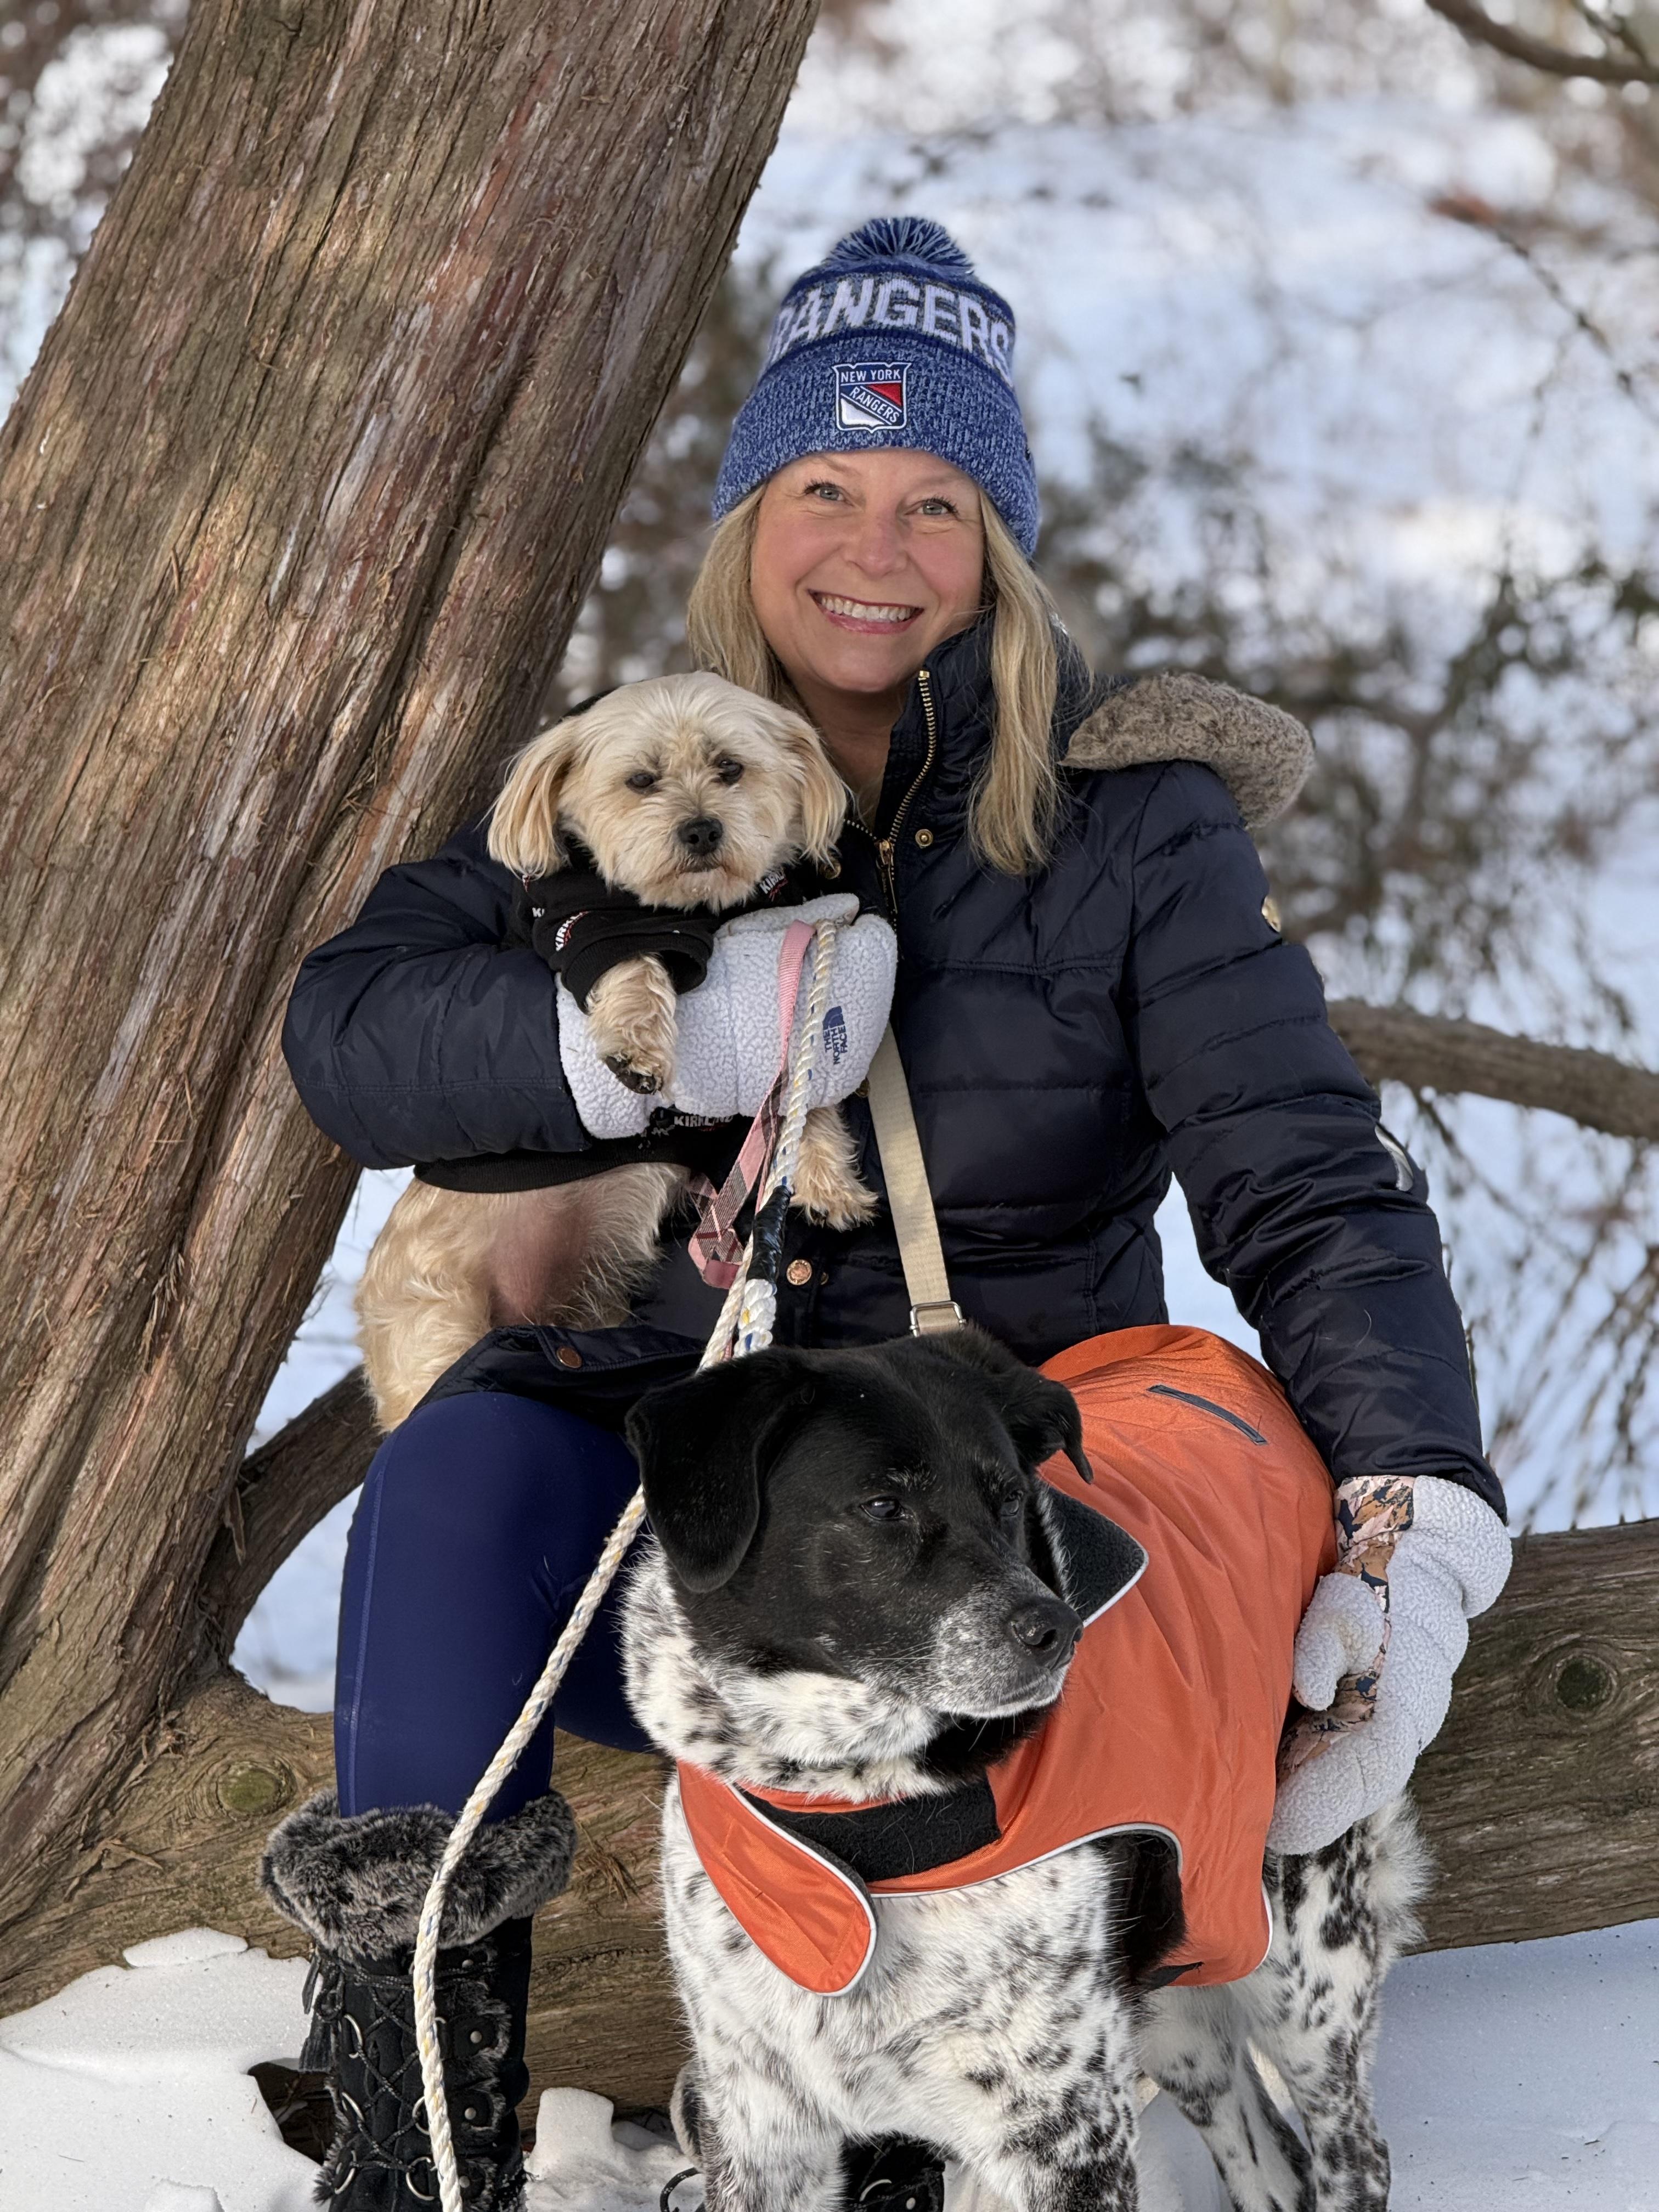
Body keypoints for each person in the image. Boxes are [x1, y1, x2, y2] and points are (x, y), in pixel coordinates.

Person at [261, 217, 1510, 2212]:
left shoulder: (1126, 821)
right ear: (753, 515)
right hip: (720, 1498)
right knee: (467, 1472)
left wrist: (1415, 1500)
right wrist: (641, 1053)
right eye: (826, 487)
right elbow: (352, 1033)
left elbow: (1301, 1165)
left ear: (996, 544)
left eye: (938, 500)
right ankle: (421, 2119)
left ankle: (931, 2112)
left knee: (988, 1635)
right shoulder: (629, 778)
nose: (876, 544)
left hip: (985, 1472)